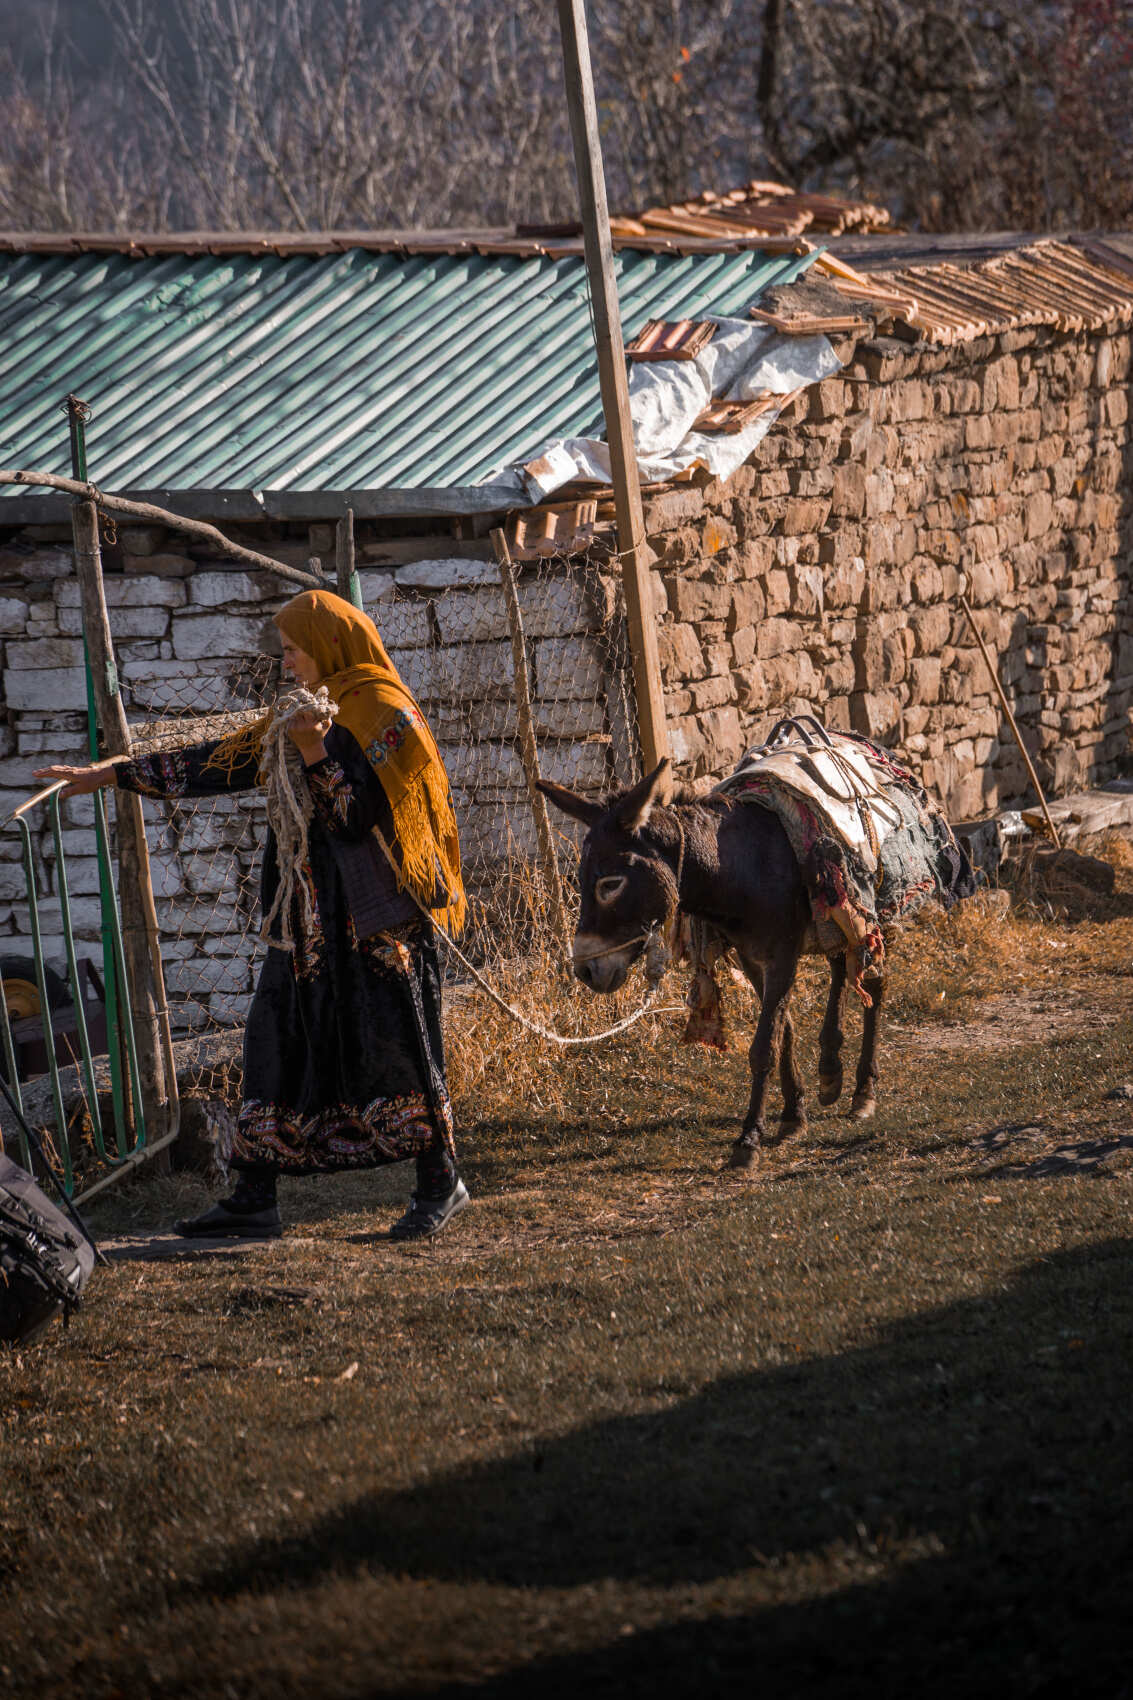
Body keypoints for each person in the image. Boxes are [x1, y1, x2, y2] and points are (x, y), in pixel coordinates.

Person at [35, 589, 470, 1242]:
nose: (288, 663)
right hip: (306, 921)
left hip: (378, 924)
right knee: (273, 1043)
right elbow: (223, 762)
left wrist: (318, 751)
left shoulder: (383, 712)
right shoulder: (305, 713)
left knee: (397, 1049)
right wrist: (114, 775)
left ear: (326, 648)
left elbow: (354, 820)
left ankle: (440, 1182)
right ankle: (254, 1197)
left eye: (295, 650)